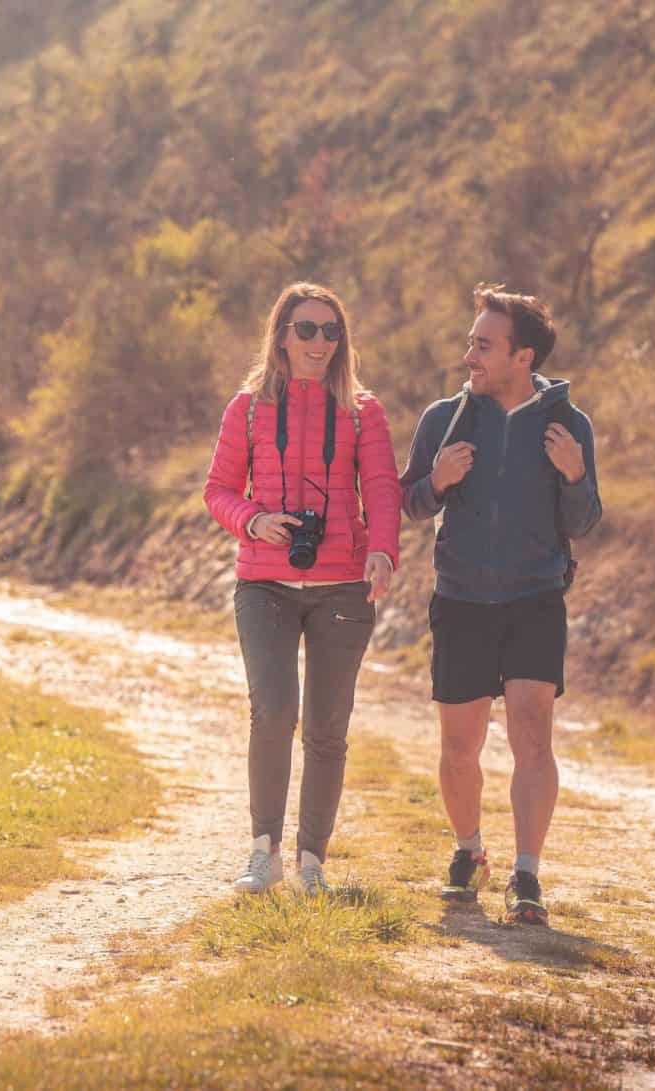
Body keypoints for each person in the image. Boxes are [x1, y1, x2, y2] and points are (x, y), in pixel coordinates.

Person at [399, 283, 602, 926]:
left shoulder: (569, 426)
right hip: (460, 600)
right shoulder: (445, 418)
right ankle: (468, 852)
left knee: (531, 733)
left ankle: (527, 874)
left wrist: (574, 474)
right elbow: (408, 501)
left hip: (535, 599)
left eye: (483, 345)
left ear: (525, 356)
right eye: (470, 342)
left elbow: (586, 519)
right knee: (460, 748)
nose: (469, 357)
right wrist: (437, 480)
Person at [204, 282, 402, 896]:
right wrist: (253, 520)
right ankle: (262, 853)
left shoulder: (364, 411)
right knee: (273, 712)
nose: (320, 342)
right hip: (264, 584)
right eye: (307, 329)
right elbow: (217, 490)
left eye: (331, 330)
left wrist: (382, 552)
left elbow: (383, 489)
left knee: (326, 728)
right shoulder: (248, 409)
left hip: (343, 587)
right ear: (282, 335)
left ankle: (311, 861)